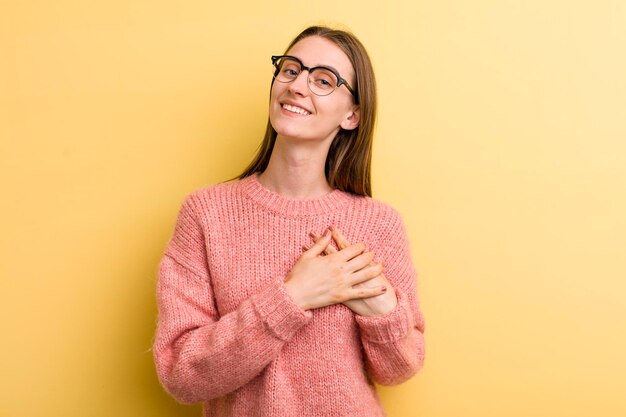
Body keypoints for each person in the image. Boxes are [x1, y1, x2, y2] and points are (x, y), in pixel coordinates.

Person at [153, 25, 425, 417]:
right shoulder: (205, 214)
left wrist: (381, 307)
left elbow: (401, 368)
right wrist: (294, 297)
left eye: (323, 80)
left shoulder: (379, 223)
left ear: (352, 115)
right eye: (292, 70)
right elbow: (181, 373)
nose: (298, 86)